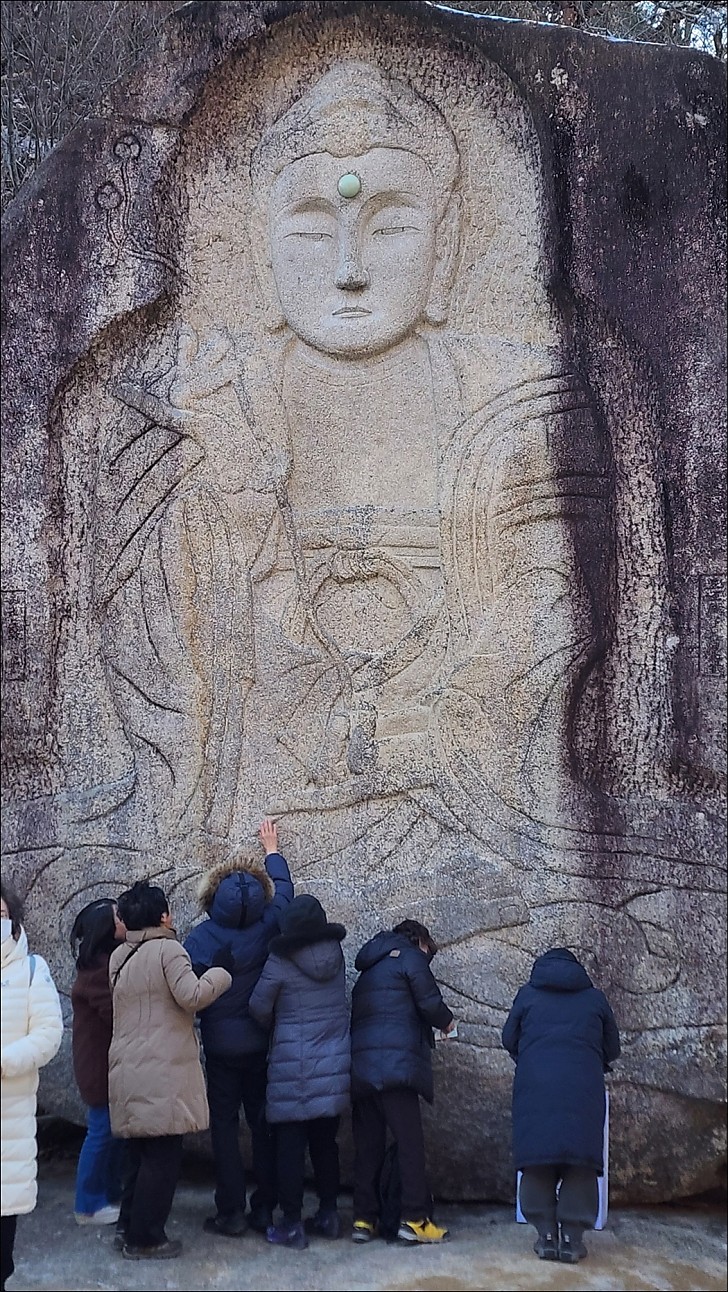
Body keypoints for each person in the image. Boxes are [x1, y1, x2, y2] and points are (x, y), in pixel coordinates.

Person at [108, 879, 232, 1260]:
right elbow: (192, 996)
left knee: (138, 1156)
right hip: (162, 1069)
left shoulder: (119, 957)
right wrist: (221, 972)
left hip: (128, 1067)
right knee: (162, 1160)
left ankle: (128, 1228)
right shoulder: (169, 951)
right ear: (163, 915)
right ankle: (146, 1238)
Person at [183, 818, 294, 1237]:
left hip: (220, 1047)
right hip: (259, 1043)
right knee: (263, 1125)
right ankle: (264, 1207)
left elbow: (187, 990)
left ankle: (230, 1210)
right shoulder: (269, 925)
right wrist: (273, 852)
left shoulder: (201, 939)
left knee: (225, 1129)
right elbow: (285, 895)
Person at [501, 946, 621, 1264]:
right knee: (579, 1162)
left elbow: (507, 1038)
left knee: (539, 1158)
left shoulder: (527, 995)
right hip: (584, 1088)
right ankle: (571, 1238)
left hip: (535, 1087)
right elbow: (613, 1047)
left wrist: (528, 1058)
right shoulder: (594, 998)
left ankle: (546, 1236)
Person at [249, 894, 349, 1249]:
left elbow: (258, 1006)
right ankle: (328, 1213)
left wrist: (277, 1025)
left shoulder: (280, 960)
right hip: (333, 1067)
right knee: (325, 1145)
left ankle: (292, 1224)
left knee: (289, 1150)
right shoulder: (335, 955)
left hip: (293, 1067)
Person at [349, 918, 455, 1245]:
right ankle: (414, 1219)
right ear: (419, 940)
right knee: (410, 1145)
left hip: (363, 1069)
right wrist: (448, 1024)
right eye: (428, 950)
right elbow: (429, 1002)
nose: (428, 957)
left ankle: (365, 1219)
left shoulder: (369, 967)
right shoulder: (409, 956)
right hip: (396, 1069)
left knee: (368, 1147)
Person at [1, 880, 63, 1292]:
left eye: (1, 915)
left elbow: (49, 1035)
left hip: (9, 1128)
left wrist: (4, 1062)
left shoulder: (31, 971)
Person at [70, 897, 128, 1227]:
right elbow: (116, 1014)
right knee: (101, 1132)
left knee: (112, 1132)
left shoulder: (101, 964)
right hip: (98, 1068)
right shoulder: (99, 972)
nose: (124, 921)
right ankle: (88, 1203)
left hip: (105, 1065)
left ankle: (106, 1193)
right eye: (118, 917)